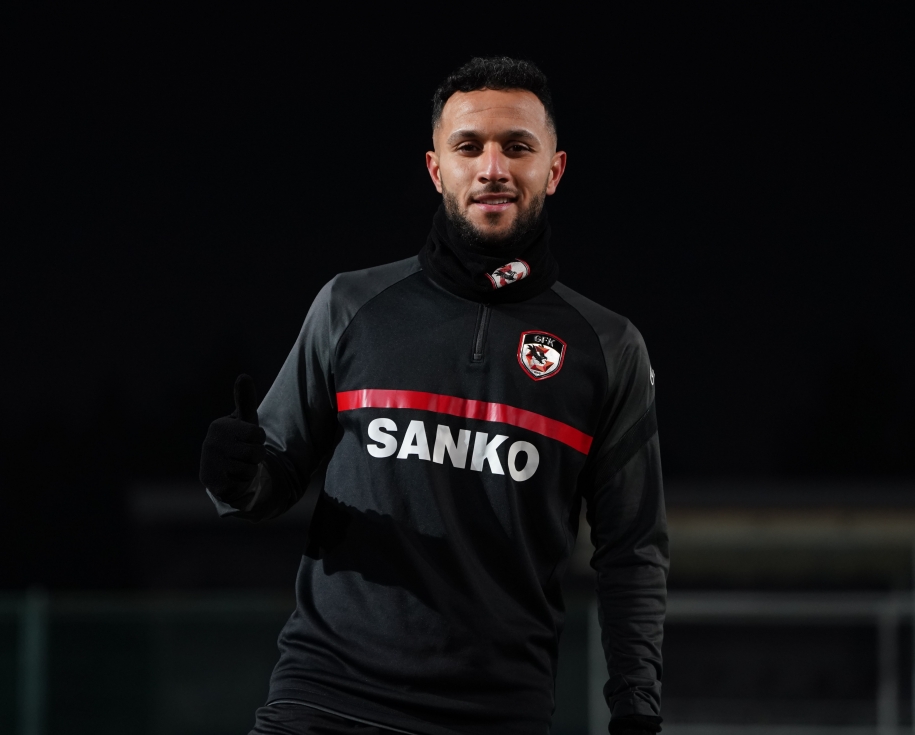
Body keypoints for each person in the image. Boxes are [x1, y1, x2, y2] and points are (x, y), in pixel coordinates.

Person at [200, 56, 667, 735]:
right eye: (468, 146)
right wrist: (235, 475)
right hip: (326, 701)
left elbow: (632, 552)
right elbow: (271, 477)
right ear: (436, 168)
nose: (492, 168)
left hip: (497, 716)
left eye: (517, 147)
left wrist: (636, 711)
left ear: (555, 170)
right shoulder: (350, 305)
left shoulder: (609, 347)